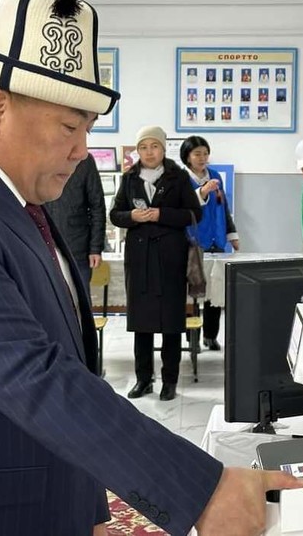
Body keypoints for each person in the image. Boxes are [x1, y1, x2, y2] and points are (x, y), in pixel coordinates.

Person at [0, 0, 303, 536]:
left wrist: (85, 507)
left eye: (87, 130)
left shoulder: (18, 205)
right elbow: (32, 376)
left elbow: (66, 370)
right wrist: (203, 491)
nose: (82, 150)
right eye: (70, 127)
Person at [110, 126, 200, 402]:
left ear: (163, 148)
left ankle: (169, 380)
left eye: (154, 146)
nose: (149, 152)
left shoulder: (178, 177)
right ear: (137, 151)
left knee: (171, 322)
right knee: (142, 323)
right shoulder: (129, 178)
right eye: (143, 147)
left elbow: (194, 214)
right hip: (140, 259)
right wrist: (133, 217)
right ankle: (143, 379)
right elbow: (115, 214)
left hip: (170, 258)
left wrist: (162, 214)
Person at [179, 136, 238, 351]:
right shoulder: (181, 179)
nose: (202, 158)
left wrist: (232, 234)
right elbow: (183, 207)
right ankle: (191, 337)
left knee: (215, 290)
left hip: (217, 241)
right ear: (187, 157)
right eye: (197, 154)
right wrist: (203, 191)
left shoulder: (215, 176)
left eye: (205, 153)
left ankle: (210, 335)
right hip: (192, 242)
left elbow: (223, 207)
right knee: (192, 291)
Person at [43, 153, 106, 290]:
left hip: (77, 247)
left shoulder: (84, 160)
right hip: (43, 245)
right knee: (45, 297)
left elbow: (97, 206)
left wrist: (95, 248)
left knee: (79, 297)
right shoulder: (38, 155)